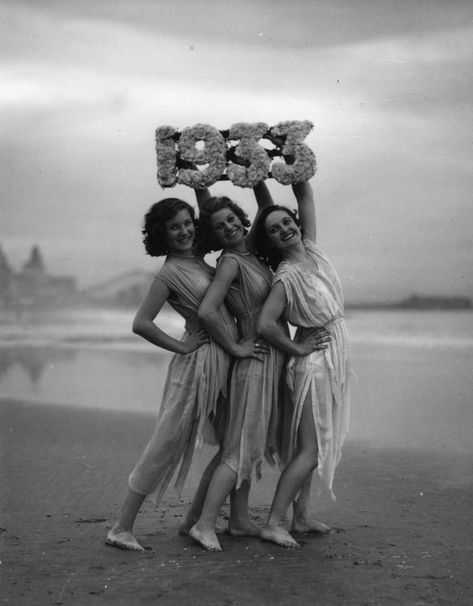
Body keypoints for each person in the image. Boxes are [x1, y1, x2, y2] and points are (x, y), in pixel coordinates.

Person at [188, 182, 329, 552]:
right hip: (257, 359)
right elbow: (206, 311)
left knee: (252, 443)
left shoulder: (251, 252)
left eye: (233, 219)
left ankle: (237, 520)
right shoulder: (232, 262)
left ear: (241, 220)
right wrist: (235, 346)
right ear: (214, 234)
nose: (229, 228)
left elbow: (266, 212)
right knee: (240, 449)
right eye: (220, 226)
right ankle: (203, 525)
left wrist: (257, 178)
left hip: (272, 358)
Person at [106, 197, 249, 551]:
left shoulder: (199, 258)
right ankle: (120, 528)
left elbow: (211, 210)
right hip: (197, 363)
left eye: (187, 223)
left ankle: (194, 522)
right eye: (174, 227)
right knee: (167, 442)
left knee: (233, 443)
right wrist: (182, 346)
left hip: (224, 359)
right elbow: (141, 323)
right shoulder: (169, 273)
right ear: (162, 234)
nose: (184, 230)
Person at [253, 179, 351, 548]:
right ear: (272, 243)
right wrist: (299, 350)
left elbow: (304, 193)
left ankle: (302, 516)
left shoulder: (311, 250)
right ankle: (274, 522)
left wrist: (287, 160)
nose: (285, 229)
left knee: (315, 446)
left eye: (286, 223)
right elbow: (265, 324)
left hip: (331, 356)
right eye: (275, 230)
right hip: (313, 363)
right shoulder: (286, 275)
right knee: (310, 450)